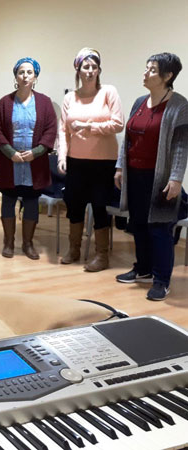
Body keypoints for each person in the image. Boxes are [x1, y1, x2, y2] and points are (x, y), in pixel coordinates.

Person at [115, 53, 188, 301]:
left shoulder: (179, 106)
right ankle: (143, 269)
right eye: (146, 68)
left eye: (152, 70)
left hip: (161, 179)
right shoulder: (139, 102)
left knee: (159, 229)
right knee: (138, 225)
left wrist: (176, 178)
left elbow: (181, 146)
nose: (146, 73)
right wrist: (120, 167)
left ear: (168, 76)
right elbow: (128, 139)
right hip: (135, 176)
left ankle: (161, 280)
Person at [58, 48, 124, 271]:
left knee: (99, 206)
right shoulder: (70, 97)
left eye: (94, 67)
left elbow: (118, 123)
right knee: (74, 205)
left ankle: (101, 256)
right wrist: (62, 156)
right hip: (76, 161)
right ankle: (74, 249)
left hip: (103, 162)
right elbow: (63, 131)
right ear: (78, 70)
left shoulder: (108, 92)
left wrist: (90, 127)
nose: (90, 71)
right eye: (86, 67)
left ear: (99, 70)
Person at [0, 57, 57, 259]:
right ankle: (9, 242)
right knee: (8, 201)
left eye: (29, 72)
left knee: (31, 202)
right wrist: (10, 152)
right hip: (9, 162)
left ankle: (28, 244)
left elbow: (50, 130)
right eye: (21, 72)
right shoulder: (5, 102)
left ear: (35, 76)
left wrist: (36, 152)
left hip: (34, 163)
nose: (25, 76)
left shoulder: (45, 102)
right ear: (16, 76)